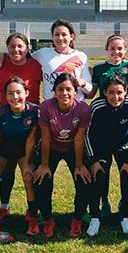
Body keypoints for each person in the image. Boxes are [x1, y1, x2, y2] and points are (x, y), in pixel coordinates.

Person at [33, 74, 95, 238]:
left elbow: (79, 138)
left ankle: (77, 219)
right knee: (41, 180)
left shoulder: (83, 109)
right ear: (54, 91)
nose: (64, 93)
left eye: (69, 89)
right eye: (60, 89)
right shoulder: (46, 107)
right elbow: (45, 137)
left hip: (73, 148)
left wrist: (79, 165)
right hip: (51, 147)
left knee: (84, 179)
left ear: (76, 91)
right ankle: (48, 220)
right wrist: (45, 164)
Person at [0, 33, 42, 223]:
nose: (16, 50)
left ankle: (34, 212)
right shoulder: (1, 64)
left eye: (20, 46)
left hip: (30, 122)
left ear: (28, 48)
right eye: (11, 46)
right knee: (6, 170)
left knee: (29, 172)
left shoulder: (36, 65)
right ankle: (4, 207)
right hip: (7, 121)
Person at [87, 34, 128, 216]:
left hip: (122, 118)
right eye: (112, 48)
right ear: (106, 49)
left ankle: (125, 209)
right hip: (103, 117)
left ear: (125, 50)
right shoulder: (100, 68)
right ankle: (104, 202)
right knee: (102, 168)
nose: (116, 51)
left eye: (120, 48)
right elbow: (91, 92)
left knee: (125, 169)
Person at [0, 77, 39, 242]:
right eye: (10, 93)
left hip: (23, 150)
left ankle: (33, 217)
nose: (15, 97)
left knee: (29, 177)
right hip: (3, 150)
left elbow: (31, 140)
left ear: (27, 93)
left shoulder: (34, 111)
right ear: (4, 95)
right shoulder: (0, 114)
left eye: (18, 92)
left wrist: (28, 164)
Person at [85, 73, 128, 234]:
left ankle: (126, 216)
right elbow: (87, 133)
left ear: (126, 91)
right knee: (98, 173)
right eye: (111, 93)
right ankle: (95, 216)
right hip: (100, 145)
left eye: (119, 92)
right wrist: (93, 159)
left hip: (122, 145)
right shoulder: (97, 106)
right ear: (104, 92)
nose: (115, 97)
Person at [31, 19, 94, 100]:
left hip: (75, 107)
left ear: (71, 36)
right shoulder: (42, 54)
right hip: (51, 107)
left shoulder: (81, 56)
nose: (60, 38)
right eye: (57, 34)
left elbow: (89, 90)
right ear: (52, 37)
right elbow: (24, 60)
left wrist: (83, 83)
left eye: (64, 34)